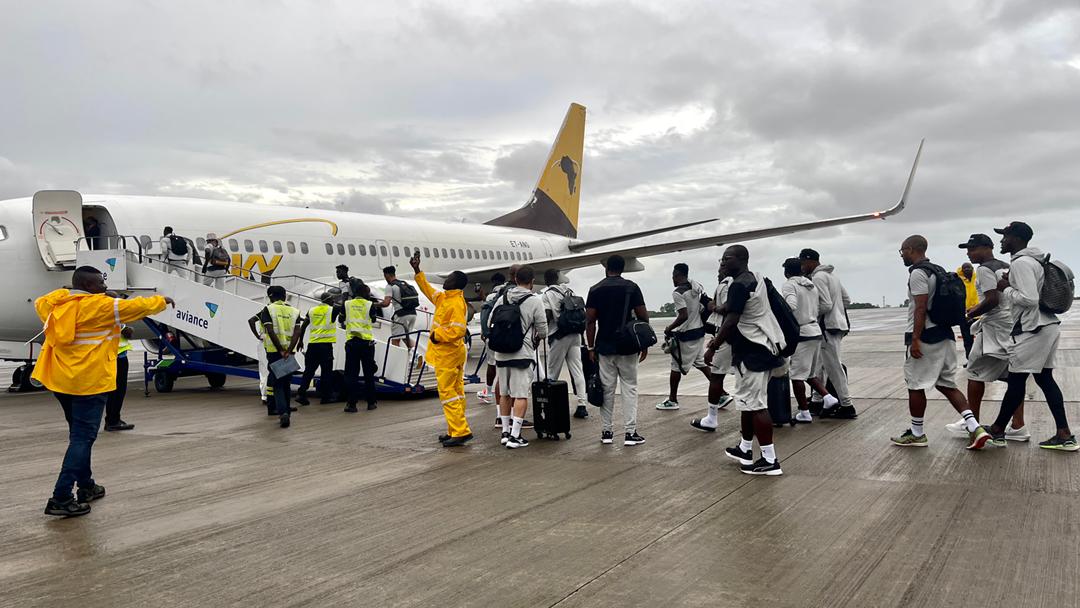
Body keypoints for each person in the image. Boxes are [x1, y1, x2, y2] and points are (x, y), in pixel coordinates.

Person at [32, 266, 171, 517]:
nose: (105, 289)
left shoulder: (56, 306)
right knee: (82, 439)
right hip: (89, 382)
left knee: (78, 436)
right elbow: (137, 307)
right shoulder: (99, 306)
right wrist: (162, 301)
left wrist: (67, 293)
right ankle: (61, 496)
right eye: (100, 284)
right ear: (88, 286)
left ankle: (86, 486)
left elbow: (42, 300)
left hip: (61, 381)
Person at [891, 235, 991, 449]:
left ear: (911, 249)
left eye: (902, 251)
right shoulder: (937, 269)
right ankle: (975, 427)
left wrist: (916, 339)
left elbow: (920, 307)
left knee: (915, 385)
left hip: (926, 336)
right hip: (945, 334)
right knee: (947, 384)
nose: (902, 256)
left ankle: (917, 433)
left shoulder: (918, 273)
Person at [983, 222, 1076, 451]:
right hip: (1047, 325)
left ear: (1015, 238)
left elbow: (1029, 299)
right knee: (1044, 379)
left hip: (1033, 329)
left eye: (1004, 236)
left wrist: (1005, 287)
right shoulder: (1033, 260)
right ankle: (1064, 434)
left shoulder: (1023, 263)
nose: (1002, 241)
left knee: (1016, 381)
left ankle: (997, 430)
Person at [704, 246, 786, 475]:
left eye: (726, 258)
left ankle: (770, 460)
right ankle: (745, 448)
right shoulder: (754, 278)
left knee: (757, 405)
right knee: (748, 403)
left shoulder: (739, 285)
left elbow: (731, 319)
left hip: (753, 352)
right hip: (761, 347)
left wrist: (713, 346)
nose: (722, 262)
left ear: (740, 259)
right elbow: (731, 307)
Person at [946, 234, 1028, 440]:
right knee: (1013, 376)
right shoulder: (1003, 265)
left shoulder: (983, 269)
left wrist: (970, 314)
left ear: (986, 247)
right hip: (1010, 324)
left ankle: (972, 424)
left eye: (972, 249)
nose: (968, 253)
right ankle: (1018, 425)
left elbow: (992, 299)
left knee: (973, 372)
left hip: (994, 327)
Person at [411, 253, 473, 446]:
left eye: (450, 279)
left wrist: (436, 336)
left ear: (456, 283)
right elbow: (428, 290)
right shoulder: (445, 298)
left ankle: (461, 431)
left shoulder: (454, 303)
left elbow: (458, 330)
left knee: (447, 393)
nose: (446, 281)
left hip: (448, 353)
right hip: (452, 353)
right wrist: (417, 271)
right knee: (456, 392)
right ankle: (455, 429)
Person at [585, 254, 648, 447]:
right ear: (623, 269)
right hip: (628, 346)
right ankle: (630, 433)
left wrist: (591, 347)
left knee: (607, 389)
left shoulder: (595, 289)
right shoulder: (632, 287)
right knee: (629, 387)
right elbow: (643, 317)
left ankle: (607, 432)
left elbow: (590, 322)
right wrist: (643, 344)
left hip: (605, 346)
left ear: (606, 268)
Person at [491, 265, 547, 449]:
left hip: (501, 353)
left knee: (505, 393)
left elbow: (492, 319)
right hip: (521, 353)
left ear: (515, 280)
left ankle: (505, 433)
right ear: (531, 282)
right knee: (521, 394)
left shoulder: (503, 298)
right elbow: (543, 330)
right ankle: (516, 436)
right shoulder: (534, 300)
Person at [800, 249, 857, 419]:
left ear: (810, 262)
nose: (802, 268)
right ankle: (818, 401)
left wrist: (809, 313)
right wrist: (838, 313)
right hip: (837, 325)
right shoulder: (833, 276)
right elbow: (846, 300)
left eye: (803, 263)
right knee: (819, 365)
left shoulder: (818, 278)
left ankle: (847, 405)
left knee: (834, 367)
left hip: (826, 327)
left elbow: (824, 304)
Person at [780, 257, 838, 424]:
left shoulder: (790, 284)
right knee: (810, 374)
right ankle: (828, 397)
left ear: (787, 271)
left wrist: (780, 316)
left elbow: (790, 305)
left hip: (802, 334)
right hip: (815, 331)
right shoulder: (810, 284)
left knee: (797, 376)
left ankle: (804, 412)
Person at [657, 263, 711, 410]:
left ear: (677, 275)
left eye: (673, 276)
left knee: (675, 365)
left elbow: (683, 316)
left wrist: (669, 328)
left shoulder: (678, 293)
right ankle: (721, 393)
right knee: (700, 362)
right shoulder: (696, 288)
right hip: (699, 331)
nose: (672, 279)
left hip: (686, 334)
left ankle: (672, 400)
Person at [248, 286, 304, 428]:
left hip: (274, 351)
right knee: (285, 381)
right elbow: (297, 332)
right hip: (289, 352)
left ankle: (283, 412)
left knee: (278, 382)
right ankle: (284, 409)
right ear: (284, 296)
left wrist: (279, 349)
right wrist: (289, 350)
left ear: (271, 297)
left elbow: (271, 331)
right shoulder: (294, 311)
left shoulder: (268, 309)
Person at [541, 268, 589, 419]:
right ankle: (582, 404)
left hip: (558, 335)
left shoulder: (547, 294)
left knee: (552, 372)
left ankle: (551, 405)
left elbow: (548, 315)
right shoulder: (569, 291)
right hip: (575, 334)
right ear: (558, 278)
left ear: (546, 280)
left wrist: (541, 331)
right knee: (577, 370)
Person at [691, 270, 735, 431]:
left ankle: (712, 417)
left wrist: (713, 306)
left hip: (727, 338)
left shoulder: (726, 285)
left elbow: (728, 314)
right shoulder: (748, 282)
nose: (717, 274)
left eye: (722, 267)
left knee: (716, 377)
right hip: (739, 337)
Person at [342, 280, 384, 412]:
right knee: (368, 374)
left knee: (352, 375)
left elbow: (341, 319)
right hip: (366, 344)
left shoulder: (347, 304)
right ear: (365, 294)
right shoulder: (370, 305)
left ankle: (352, 404)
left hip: (352, 343)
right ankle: (371, 403)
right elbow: (373, 320)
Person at [296, 290, 341, 406]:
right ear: (329, 300)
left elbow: (304, 326)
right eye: (332, 300)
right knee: (326, 372)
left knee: (309, 371)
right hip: (325, 346)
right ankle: (326, 397)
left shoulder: (312, 310)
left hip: (312, 346)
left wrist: (300, 341)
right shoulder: (333, 310)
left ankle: (301, 393)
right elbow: (343, 307)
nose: (334, 302)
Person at [476, 271, 506, 405]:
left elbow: (485, 315)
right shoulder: (509, 293)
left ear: (493, 283)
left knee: (492, 365)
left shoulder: (492, 296)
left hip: (493, 336)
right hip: (509, 335)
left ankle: (488, 392)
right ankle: (507, 391)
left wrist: (485, 332)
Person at [104, 325, 136, 432]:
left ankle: (113, 419)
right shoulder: (113, 312)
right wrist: (125, 328)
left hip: (118, 355)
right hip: (115, 356)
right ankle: (112, 421)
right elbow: (116, 325)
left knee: (117, 390)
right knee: (117, 390)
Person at [381, 266, 418, 349]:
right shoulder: (404, 283)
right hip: (412, 314)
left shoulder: (390, 286)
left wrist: (374, 304)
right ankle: (416, 353)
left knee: (395, 339)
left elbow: (386, 303)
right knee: (405, 337)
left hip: (401, 316)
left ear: (387, 275)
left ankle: (395, 358)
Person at [957, 262, 977, 357]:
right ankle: (969, 358)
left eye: (969, 268)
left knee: (982, 339)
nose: (967, 270)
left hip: (979, 314)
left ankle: (981, 359)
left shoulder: (977, 279)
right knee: (967, 339)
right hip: (964, 315)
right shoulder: (959, 281)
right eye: (964, 268)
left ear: (972, 268)